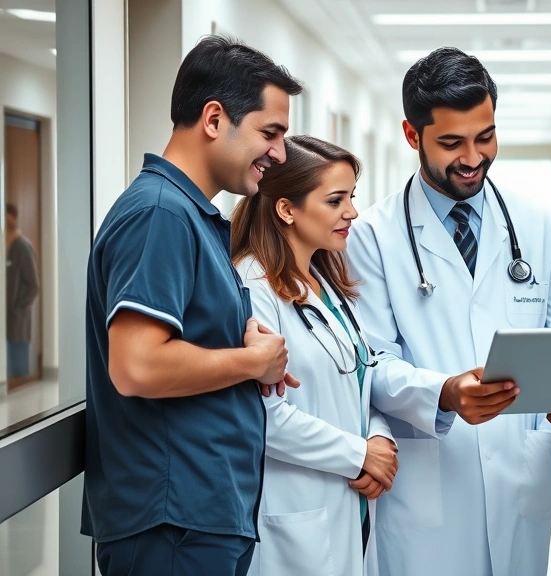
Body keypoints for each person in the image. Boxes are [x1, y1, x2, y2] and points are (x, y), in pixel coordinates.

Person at [345, 47, 551, 576]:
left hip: (520, 475)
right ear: (413, 136)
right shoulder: (372, 237)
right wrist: (445, 393)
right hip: (426, 485)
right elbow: (369, 363)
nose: (474, 157)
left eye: (486, 136)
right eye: (452, 142)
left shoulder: (537, 225)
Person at [82, 36, 303, 576]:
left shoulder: (192, 216)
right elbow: (136, 365)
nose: (279, 153)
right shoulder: (160, 214)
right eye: (269, 133)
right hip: (171, 524)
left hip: (196, 515)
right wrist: (253, 362)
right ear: (213, 119)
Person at [231, 135, 398, 575]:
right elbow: (263, 416)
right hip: (294, 509)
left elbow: (359, 378)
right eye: (336, 200)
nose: (352, 212)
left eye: (352, 197)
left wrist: (378, 438)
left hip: (347, 502)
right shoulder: (253, 287)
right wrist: (357, 453)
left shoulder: (325, 281)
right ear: (287, 209)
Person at [5, 202, 39, 380]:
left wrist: (17, 307)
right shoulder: (6, 246)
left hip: (17, 317)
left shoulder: (22, 246)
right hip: (7, 319)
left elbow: (33, 285)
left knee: (19, 368)